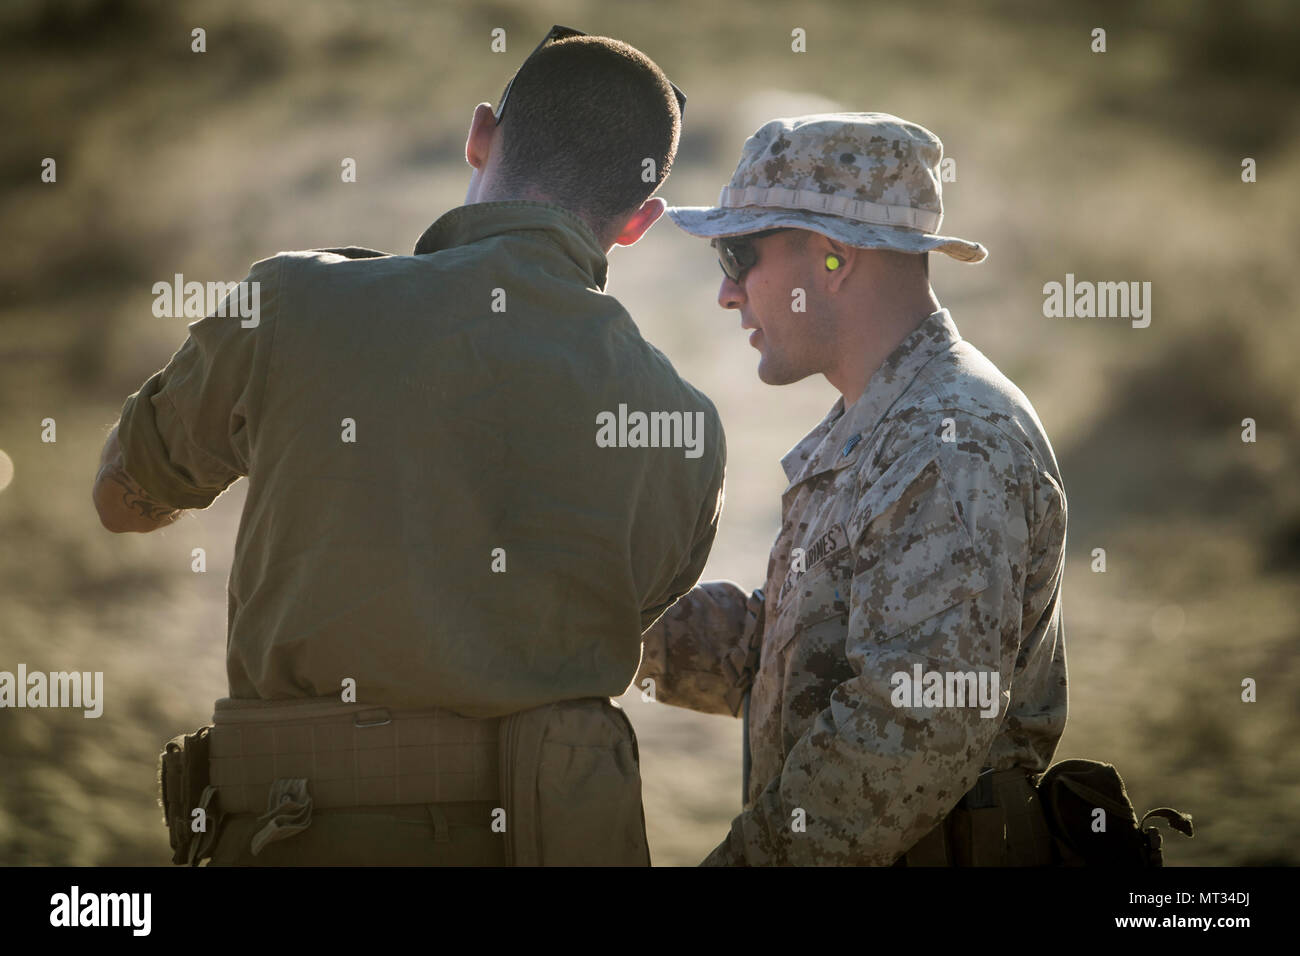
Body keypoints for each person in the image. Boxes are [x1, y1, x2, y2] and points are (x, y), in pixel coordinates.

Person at [93, 29, 725, 866]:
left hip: (307, 834)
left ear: (479, 135)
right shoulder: (688, 428)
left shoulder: (294, 304)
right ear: (641, 221)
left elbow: (122, 498)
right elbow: (624, 611)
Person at [636, 112, 1067, 866]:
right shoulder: (887, 423)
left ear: (834, 259)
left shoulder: (951, 442)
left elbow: (906, 734)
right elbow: (794, 657)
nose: (726, 294)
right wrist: (599, 619)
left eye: (739, 254)